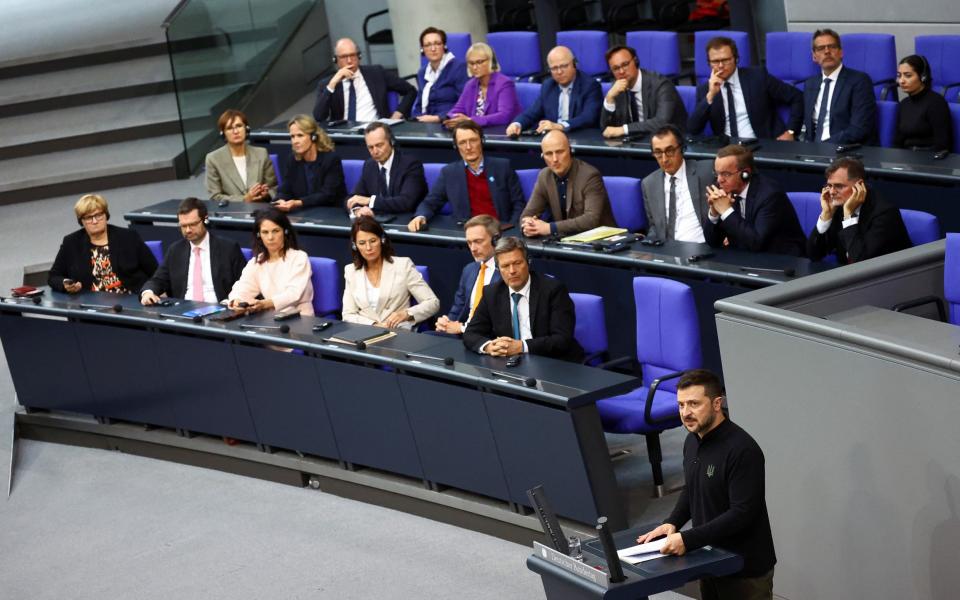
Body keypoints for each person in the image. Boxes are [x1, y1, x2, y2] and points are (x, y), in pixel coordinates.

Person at [636, 369, 776, 600]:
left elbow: (742, 514)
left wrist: (688, 539)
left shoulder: (742, 450)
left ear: (716, 404)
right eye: (681, 405)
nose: (685, 413)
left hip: (744, 570)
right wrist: (673, 522)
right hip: (709, 560)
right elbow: (692, 489)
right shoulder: (692, 441)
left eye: (693, 404)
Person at [463, 236, 583, 363]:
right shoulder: (492, 293)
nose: (512, 271)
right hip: (512, 364)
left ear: (528, 262)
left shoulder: (553, 290)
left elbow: (561, 340)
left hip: (553, 362)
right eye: (505, 266)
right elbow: (471, 333)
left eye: (517, 263)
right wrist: (488, 347)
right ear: (499, 269)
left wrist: (521, 346)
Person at [407, 120, 525, 231]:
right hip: (467, 234)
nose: (468, 147)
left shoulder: (502, 167)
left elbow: (518, 204)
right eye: (462, 143)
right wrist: (420, 216)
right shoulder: (449, 173)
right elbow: (430, 203)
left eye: (473, 140)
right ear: (456, 146)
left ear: (482, 141)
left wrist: (511, 229)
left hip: (500, 232)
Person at [688, 37, 803, 141]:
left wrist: (791, 131)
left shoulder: (757, 77)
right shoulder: (706, 90)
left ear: (736, 59)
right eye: (715, 61)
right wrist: (710, 96)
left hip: (763, 145)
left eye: (726, 60)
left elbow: (797, 97)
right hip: (728, 151)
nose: (721, 65)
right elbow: (693, 129)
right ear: (709, 64)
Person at [702, 145, 806, 256]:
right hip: (744, 258)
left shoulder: (770, 195)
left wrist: (726, 211)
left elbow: (756, 243)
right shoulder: (725, 189)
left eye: (726, 174)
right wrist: (714, 213)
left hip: (781, 260)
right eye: (717, 173)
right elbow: (713, 242)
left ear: (745, 174)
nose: (719, 180)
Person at [140, 198, 246, 304]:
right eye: (183, 226)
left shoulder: (228, 248)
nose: (188, 230)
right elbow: (158, 280)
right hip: (184, 311)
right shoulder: (175, 250)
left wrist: (233, 300)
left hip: (220, 310)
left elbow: (245, 283)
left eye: (193, 224)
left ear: (205, 219)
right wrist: (148, 292)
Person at [807, 157, 911, 263]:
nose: (832, 192)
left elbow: (862, 263)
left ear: (859, 185)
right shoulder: (838, 207)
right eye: (829, 186)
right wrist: (826, 215)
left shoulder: (885, 214)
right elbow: (813, 255)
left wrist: (848, 216)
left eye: (839, 186)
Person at [49, 193, 158, 295]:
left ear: (106, 215)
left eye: (99, 215)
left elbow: (155, 271)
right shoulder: (71, 242)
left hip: (130, 298)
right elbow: (53, 276)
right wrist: (65, 284)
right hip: (90, 303)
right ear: (81, 221)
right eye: (88, 217)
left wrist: (152, 292)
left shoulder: (128, 237)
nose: (95, 221)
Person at [342, 217, 439, 329]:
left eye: (373, 241)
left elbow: (433, 302)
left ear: (382, 240)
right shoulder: (350, 271)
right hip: (364, 331)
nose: (368, 248)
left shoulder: (403, 265)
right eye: (362, 243)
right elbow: (348, 314)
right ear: (355, 246)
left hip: (397, 331)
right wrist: (374, 325)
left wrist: (407, 314)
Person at [520, 130, 616, 237]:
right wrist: (528, 225)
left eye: (560, 152)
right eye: (549, 154)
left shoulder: (590, 175)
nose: (555, 159)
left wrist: (550, 228)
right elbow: (527, 214)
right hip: (565, 241)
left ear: (570, 151)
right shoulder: (544, 176)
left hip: (599, 241)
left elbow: (591, 220)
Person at [227, 208, 314, 316]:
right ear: (259, 235)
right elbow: (243, 287)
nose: (270, 237)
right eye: (265, 232)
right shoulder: (257, 262)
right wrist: (236, 301)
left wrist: (265, 304)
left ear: (285, 231)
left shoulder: (299, 257)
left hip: (301, 318)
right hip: (271, 320)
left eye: (275, 231)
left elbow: (293, 294)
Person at [802, 29, 877, 145]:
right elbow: (809, 128)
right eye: (821, 48)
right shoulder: (810, 83)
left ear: (841, 52)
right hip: (814, 151)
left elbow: (859, 128)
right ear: (814, 56)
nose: (827, 51)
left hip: (844, 150)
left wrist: (824, 147)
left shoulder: (859, 81)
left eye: (832, 47)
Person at [312, 37, 416, 122]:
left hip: (376, 133)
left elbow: (410, 91)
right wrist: (332, 84)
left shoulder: (376, 73)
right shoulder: (327, 84)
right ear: (335, 60)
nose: (349, 61)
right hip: (345, 137)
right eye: (344, 57)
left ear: (359, 56)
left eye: (352, 55)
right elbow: (319, 116)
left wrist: (397, 115)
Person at [505, 46, 603, 135]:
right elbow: (532, 113)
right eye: (554, 68)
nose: (559, 72)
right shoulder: (548, 86)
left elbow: (589, 117)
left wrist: (560, 126)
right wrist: (517, 124)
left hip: (580, 137)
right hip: (553, 139)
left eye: (564, 66)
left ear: (574, 64)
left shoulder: (590, 86)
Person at [642, 125, 712, 242]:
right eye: (658, 153)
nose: (664, 159)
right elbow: (654, 227)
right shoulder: (649, 183)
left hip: (701, 249)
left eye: (669, 151)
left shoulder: (707, 171)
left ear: (682, 148)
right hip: (666, 252)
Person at [600, 45, 687, 138]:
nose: (621, 71)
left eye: (625, 64)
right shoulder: (616, 89)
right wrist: (609, 98)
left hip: (666, 142)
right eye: (616, 68)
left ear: (635, 61)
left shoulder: (661, 84)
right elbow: (606, 130)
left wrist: (624, 129)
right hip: (633, 143)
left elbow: (662, 122)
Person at [435, 215, 502, 335]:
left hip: (487, 338)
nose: (473, 248)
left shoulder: (507, 272)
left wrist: (462, 328)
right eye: (469, 243)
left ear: (495, 240)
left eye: (478, 241)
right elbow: (457, 308)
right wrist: (446, 323)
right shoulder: (469, 269)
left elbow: (499, 322)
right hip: (463, 334)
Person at [346, 122, 428, 218]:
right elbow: (353, 198)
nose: (375, 151)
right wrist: (357, 210)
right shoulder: (370, 165)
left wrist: (370, 201)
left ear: (391, 141)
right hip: (378, 221)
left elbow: (406, 202)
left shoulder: (410, 164)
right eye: (370, 147)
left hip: (407, 221)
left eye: (379, 145)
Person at [275, 115, 347, 212]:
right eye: (292, 136)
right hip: (302, 213)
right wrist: (280, 200)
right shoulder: (292, 160)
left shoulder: (331, 159)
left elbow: (327, 194)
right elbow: (285, 188)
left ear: (313, 137)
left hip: (330, 212)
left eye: (300, 135)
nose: (295, 141)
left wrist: (299, 202)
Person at [204, 109, 277, 203]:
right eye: (230, 128)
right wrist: (244, 199)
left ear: (246, 129)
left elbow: (273, 188)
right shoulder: (213, 159)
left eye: (239, 126)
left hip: (261, 210)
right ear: (223, 134)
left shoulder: (261, 153)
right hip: (233, 212)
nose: (235, 131)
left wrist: (266, 194)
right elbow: (215, 197)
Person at [443, 42, 523, 128]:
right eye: (471, 63)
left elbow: (504, 116)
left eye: (479, 62)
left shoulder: (504, 84)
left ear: (491, 61)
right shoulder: (470, 85)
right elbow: (457, 109)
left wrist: (470, 121)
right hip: (476, 133)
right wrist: (452, 119)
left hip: (501, 133)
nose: (475, 67)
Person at [893, 54, 954, 152]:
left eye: (908, 75)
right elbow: (897, 142)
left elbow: (942, 145)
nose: (901, 81)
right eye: (899, 75)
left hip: (929, 160)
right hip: (906, 159)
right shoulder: (904, 104)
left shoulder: (936, 103)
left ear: (923, 77)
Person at [412, 27, 469, 122]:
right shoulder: (422, 73)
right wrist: (416, 119)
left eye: (437, 44)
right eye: (427, 45)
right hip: (426, 122)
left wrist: (438, 118)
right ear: (422, 49)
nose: (433, 49)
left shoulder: (458, 68)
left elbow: (465, 103)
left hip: (450, 122)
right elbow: (419, 103)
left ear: (444, 46)